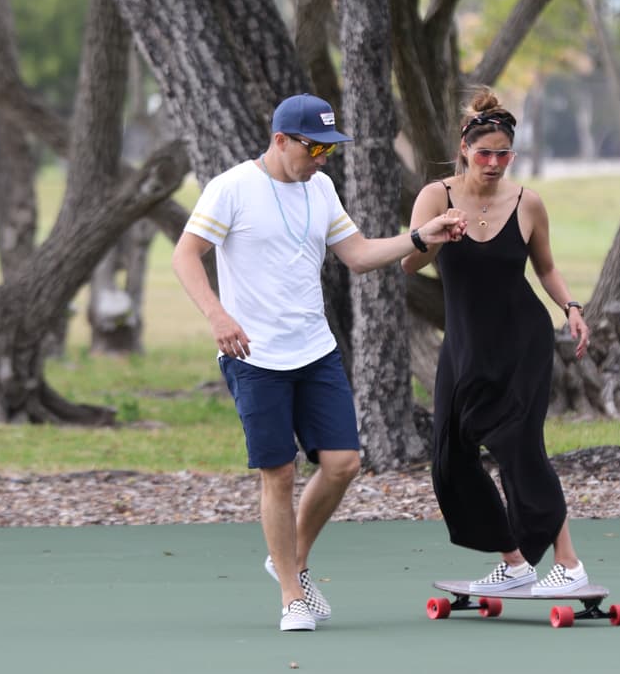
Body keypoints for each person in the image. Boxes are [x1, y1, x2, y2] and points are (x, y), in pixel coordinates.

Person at [172, 93, 467, 633]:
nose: (322, 158)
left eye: (330, 149)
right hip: (254, 356)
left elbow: (356, 256)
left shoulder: (321, 187)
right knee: (279, 473)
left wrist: (422, 236)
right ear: (280, 140)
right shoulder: (232, 188)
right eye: (314, 147)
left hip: (315, 351)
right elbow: (185, 255)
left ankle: (292, 557)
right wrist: (217, 316)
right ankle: (291, 595)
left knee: (343, 463)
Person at [401, 87, 592, 597]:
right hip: (465, 345)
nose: (493, 163)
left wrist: (571, 308)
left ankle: (569, 565)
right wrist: (435, 234)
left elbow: (546, 268)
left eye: (503, 154)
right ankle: (514, 561)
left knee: (519, 447)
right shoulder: (435, 197)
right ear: (464, 150)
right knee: (451, 456)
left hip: (520, 342)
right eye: (484, 154)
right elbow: (408, 262)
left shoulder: (527, 202)